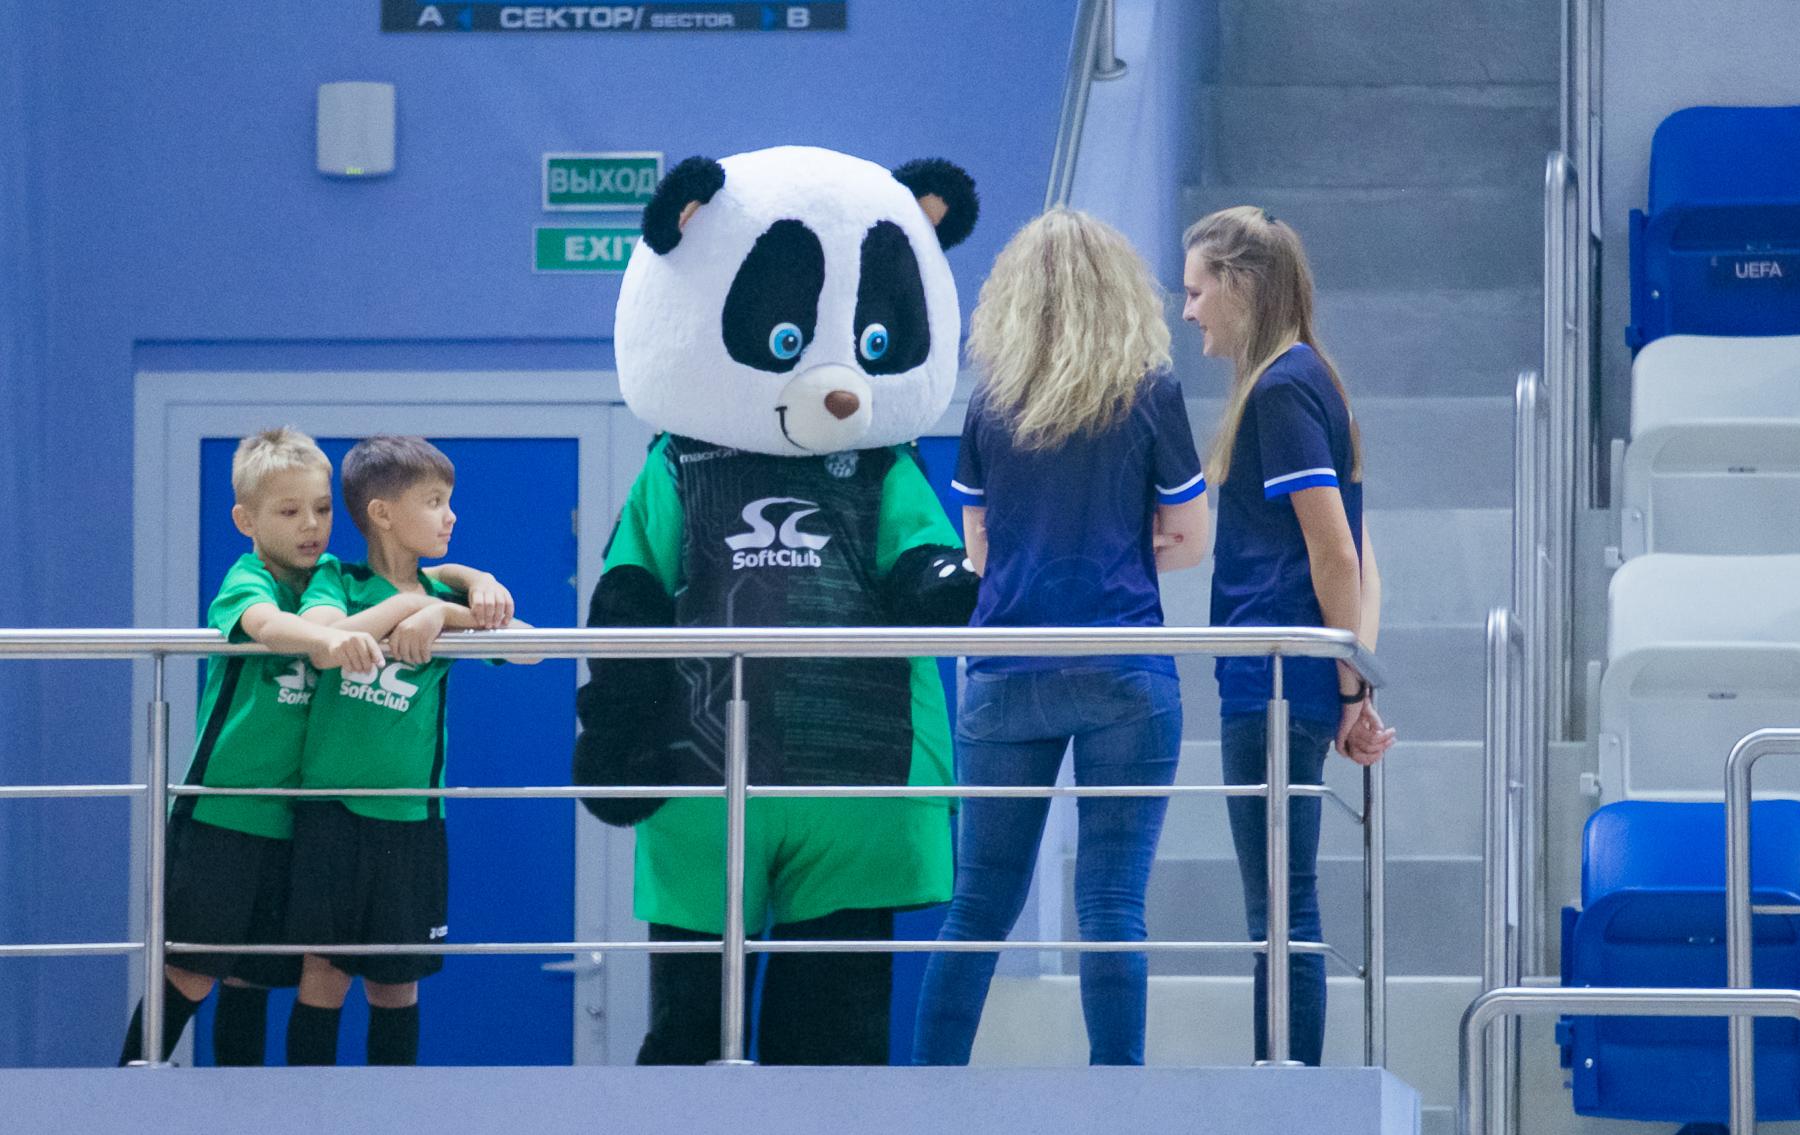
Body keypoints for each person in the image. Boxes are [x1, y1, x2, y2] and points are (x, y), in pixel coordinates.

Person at [913, 208, 1210, 1066]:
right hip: (1124, 667)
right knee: (1112, 903)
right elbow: (1191, 538)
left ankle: (928, 1096)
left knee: (978, 907)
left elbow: (978, 549)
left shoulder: (991, 401)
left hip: (1006, 670)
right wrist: (1127, 541)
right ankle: (1117, 1099)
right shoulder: (1151, 392)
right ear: (1122, 292)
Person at [1180, 206, 1394, 1067]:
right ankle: (1288, 1087)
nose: (1188, 311)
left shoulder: (1281, 387)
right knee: (1283, 905)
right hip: (1292, 679)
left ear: (1240, 285)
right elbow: (1363, 564)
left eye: (1197, 291)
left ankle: (1287, 1095)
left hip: (1272, 679)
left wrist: (1349, 685)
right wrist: (1352, 686)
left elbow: (1338, 553)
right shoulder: (1311, 379)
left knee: (1279, 910)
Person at [119, 428, 384, 1066]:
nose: (311, 525)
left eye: (322, 508)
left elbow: (414, 584)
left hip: (294, 818)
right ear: (246, 521)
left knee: (255, 974)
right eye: (289, 512)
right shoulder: (247, 579)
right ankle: (120, 1090)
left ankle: (248, 1107)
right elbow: (267, 625)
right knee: (191, 973)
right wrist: (325, 642)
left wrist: (470, 584)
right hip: (224, 814)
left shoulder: (332, 580)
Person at [285, 435, 530, 1066]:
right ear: (383, 513)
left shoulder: (444, 601)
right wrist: (412, 606)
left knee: (395, 984)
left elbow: (529, 647)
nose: (451, 516)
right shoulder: (338, 579)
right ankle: (307, 1111)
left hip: (412, 820)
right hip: (331, 816)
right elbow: (325, 640)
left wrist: (448, 613)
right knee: (324, 974)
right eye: (435, 501)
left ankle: (391, 1112)